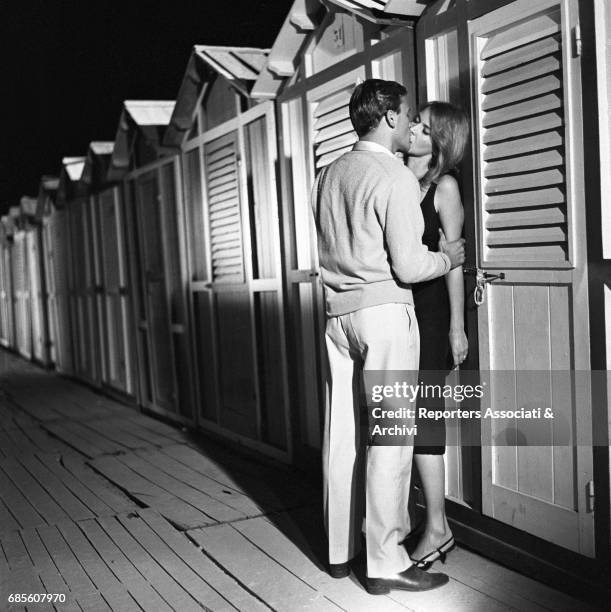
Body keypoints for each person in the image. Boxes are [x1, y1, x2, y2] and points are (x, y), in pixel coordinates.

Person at [312, 79, 465, 595]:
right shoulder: (395, 176)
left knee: (341, 439)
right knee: (391, 440)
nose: (412, 123)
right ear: (390, 119)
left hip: (336, 318)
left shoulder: (327, 174)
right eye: (406, 114)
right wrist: (450, 258)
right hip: (382, 314)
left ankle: (339, 553)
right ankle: (383, 562)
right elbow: (410, 263)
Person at [407, 102, 470, 569]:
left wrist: (456, 326)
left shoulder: (444, 187)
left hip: (430, 317)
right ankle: (423, 523)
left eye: (425, 127)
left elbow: (455, 263)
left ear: (440, 141)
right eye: (415, 121)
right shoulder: (397, 179)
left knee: (424, 421)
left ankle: (438, 527)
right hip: (398, 314)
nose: (413, 128)